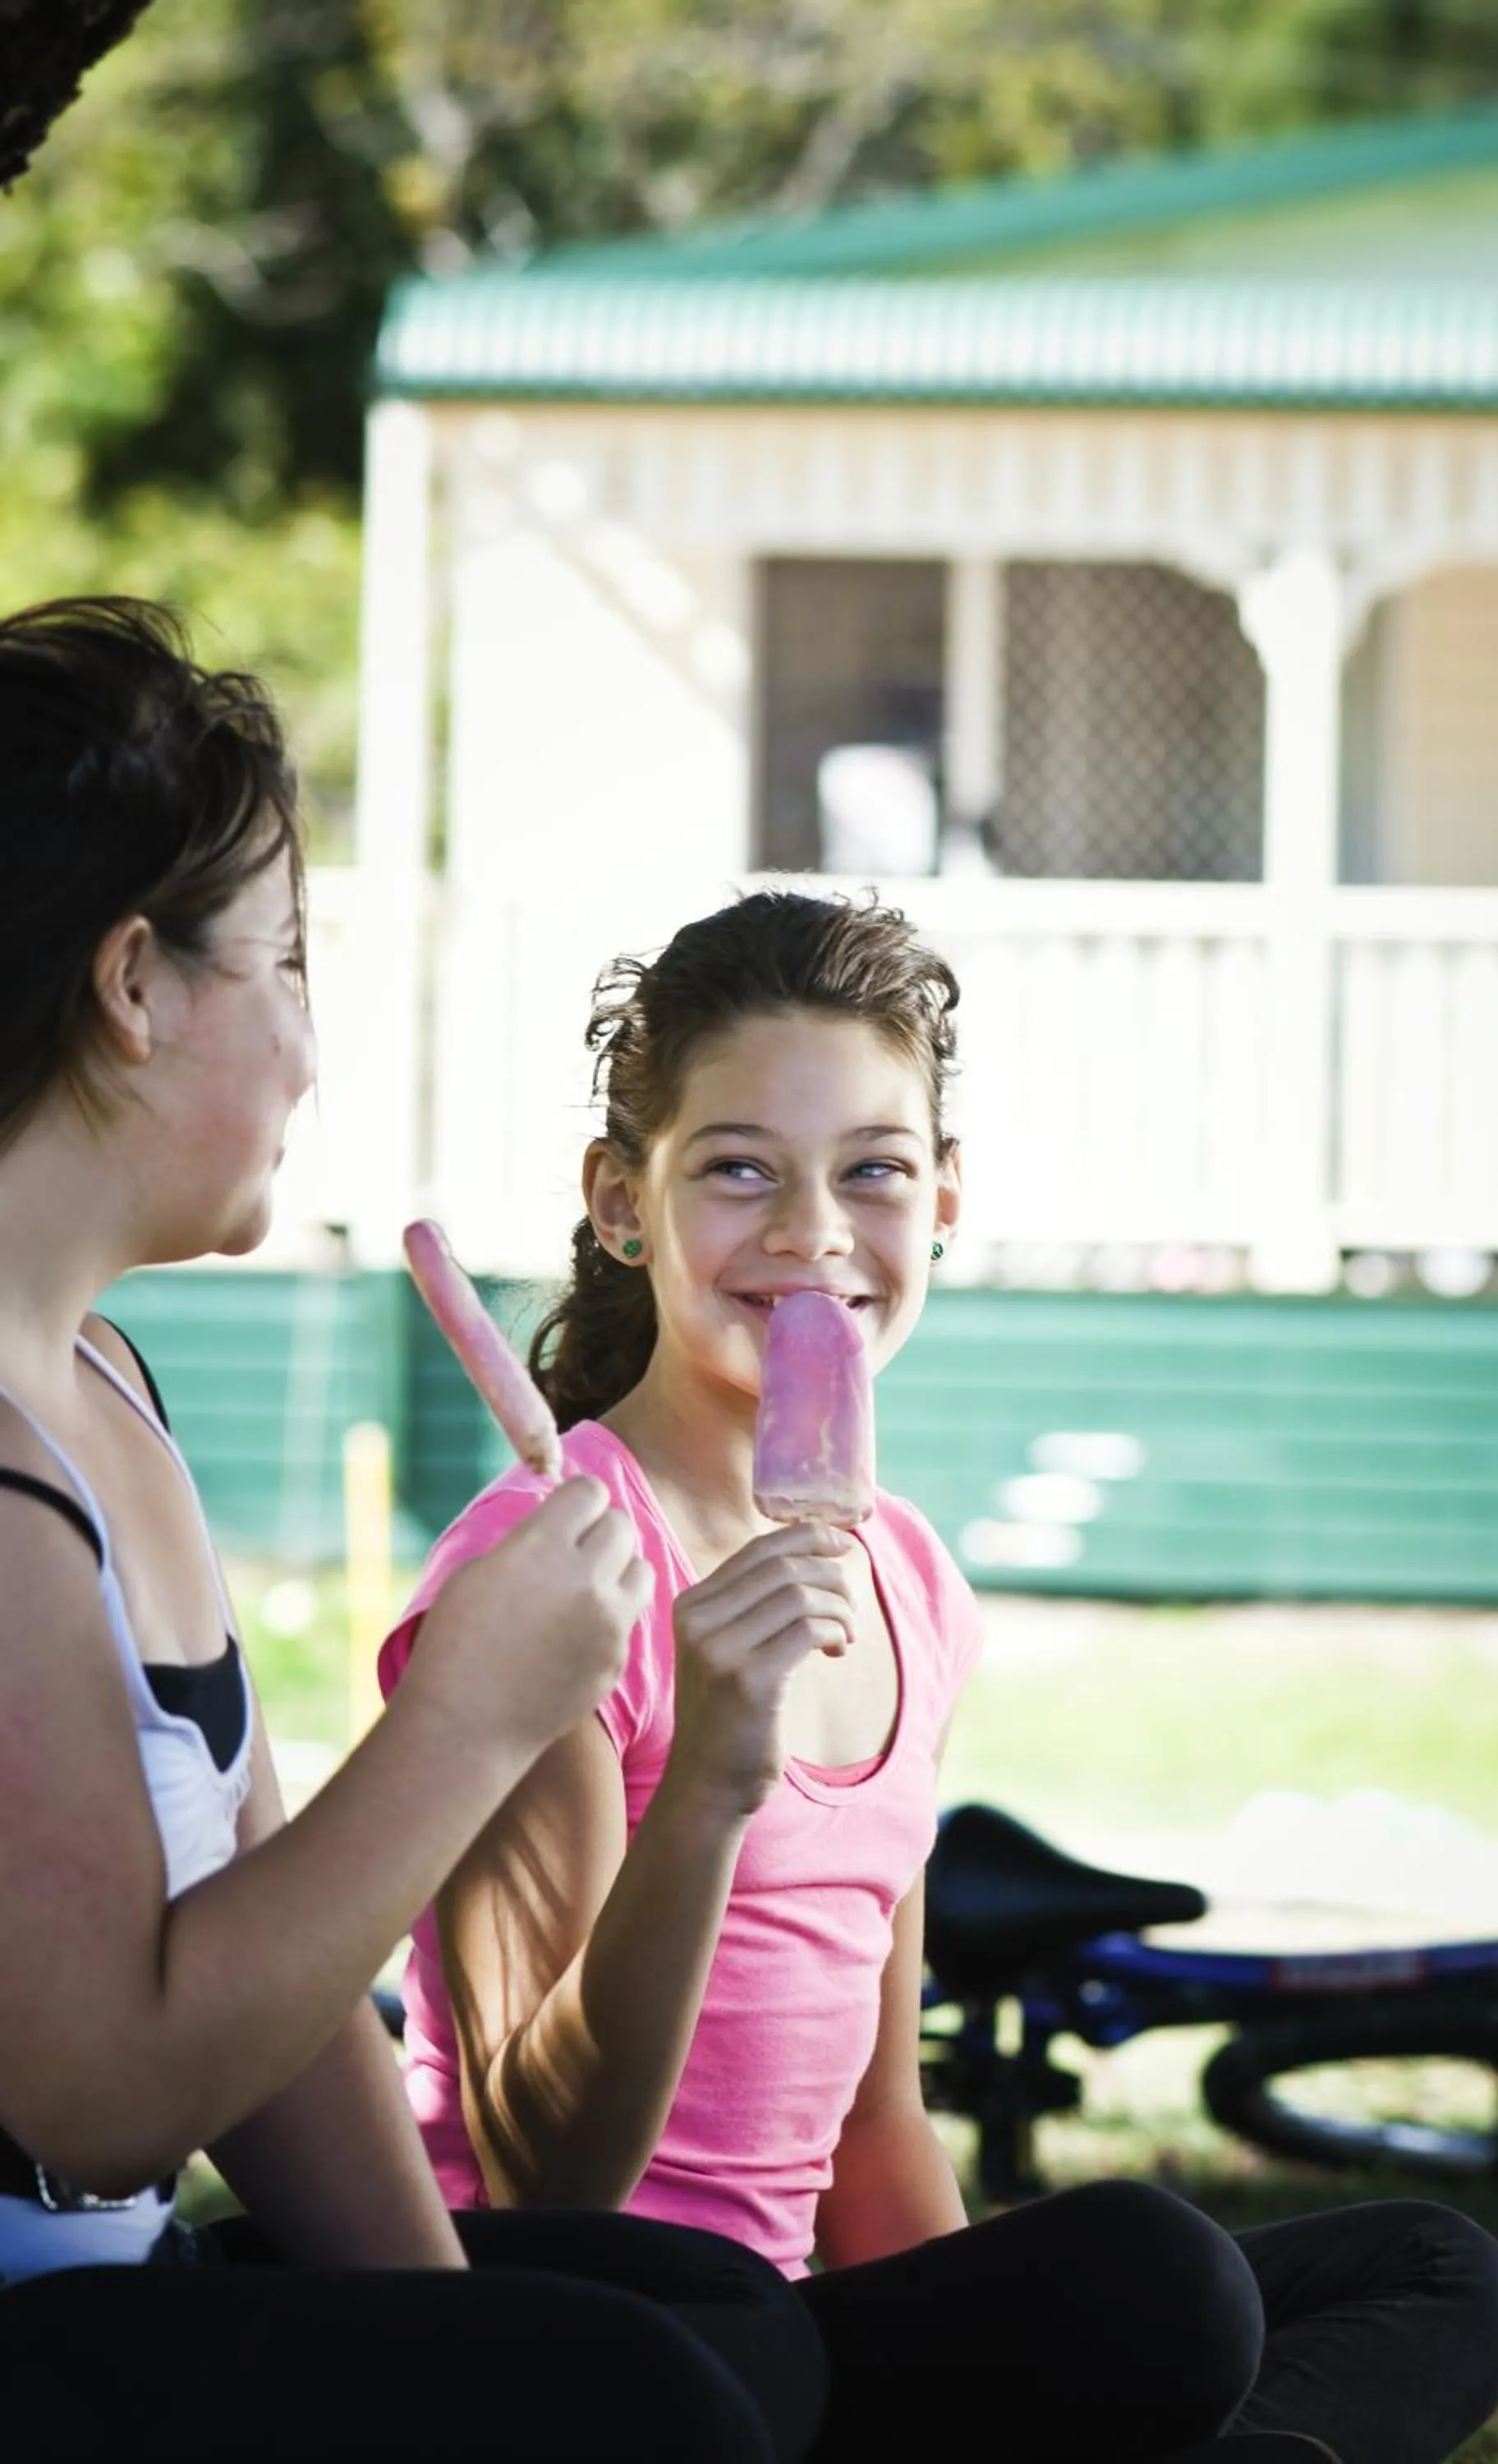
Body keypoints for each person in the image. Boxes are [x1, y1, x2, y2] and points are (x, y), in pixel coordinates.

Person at [380, 888, 1498, 2464]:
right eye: (737, 1171)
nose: (809, 1234)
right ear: (618, 1201)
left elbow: (872, 2125)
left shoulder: (908, 1579)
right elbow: (546, 2173)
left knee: (1430, 2275)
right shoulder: (548, 1567)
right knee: (1158, 2278)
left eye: (873, 1171)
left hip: (797, 2337)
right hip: (598, 2337)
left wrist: (1000, 2365)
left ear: (946, 1201)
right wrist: (709, 1780)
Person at [0, 598, 826, 2464]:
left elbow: (274, 1977)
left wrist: (451, 2343)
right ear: (132, 985)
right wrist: (470, 1720)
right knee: (659, 2400)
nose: (306, 1049)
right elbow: (107, 2098)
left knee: (716, 2335)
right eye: (285, 965)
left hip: (128, 2302)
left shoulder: (100, 1386)